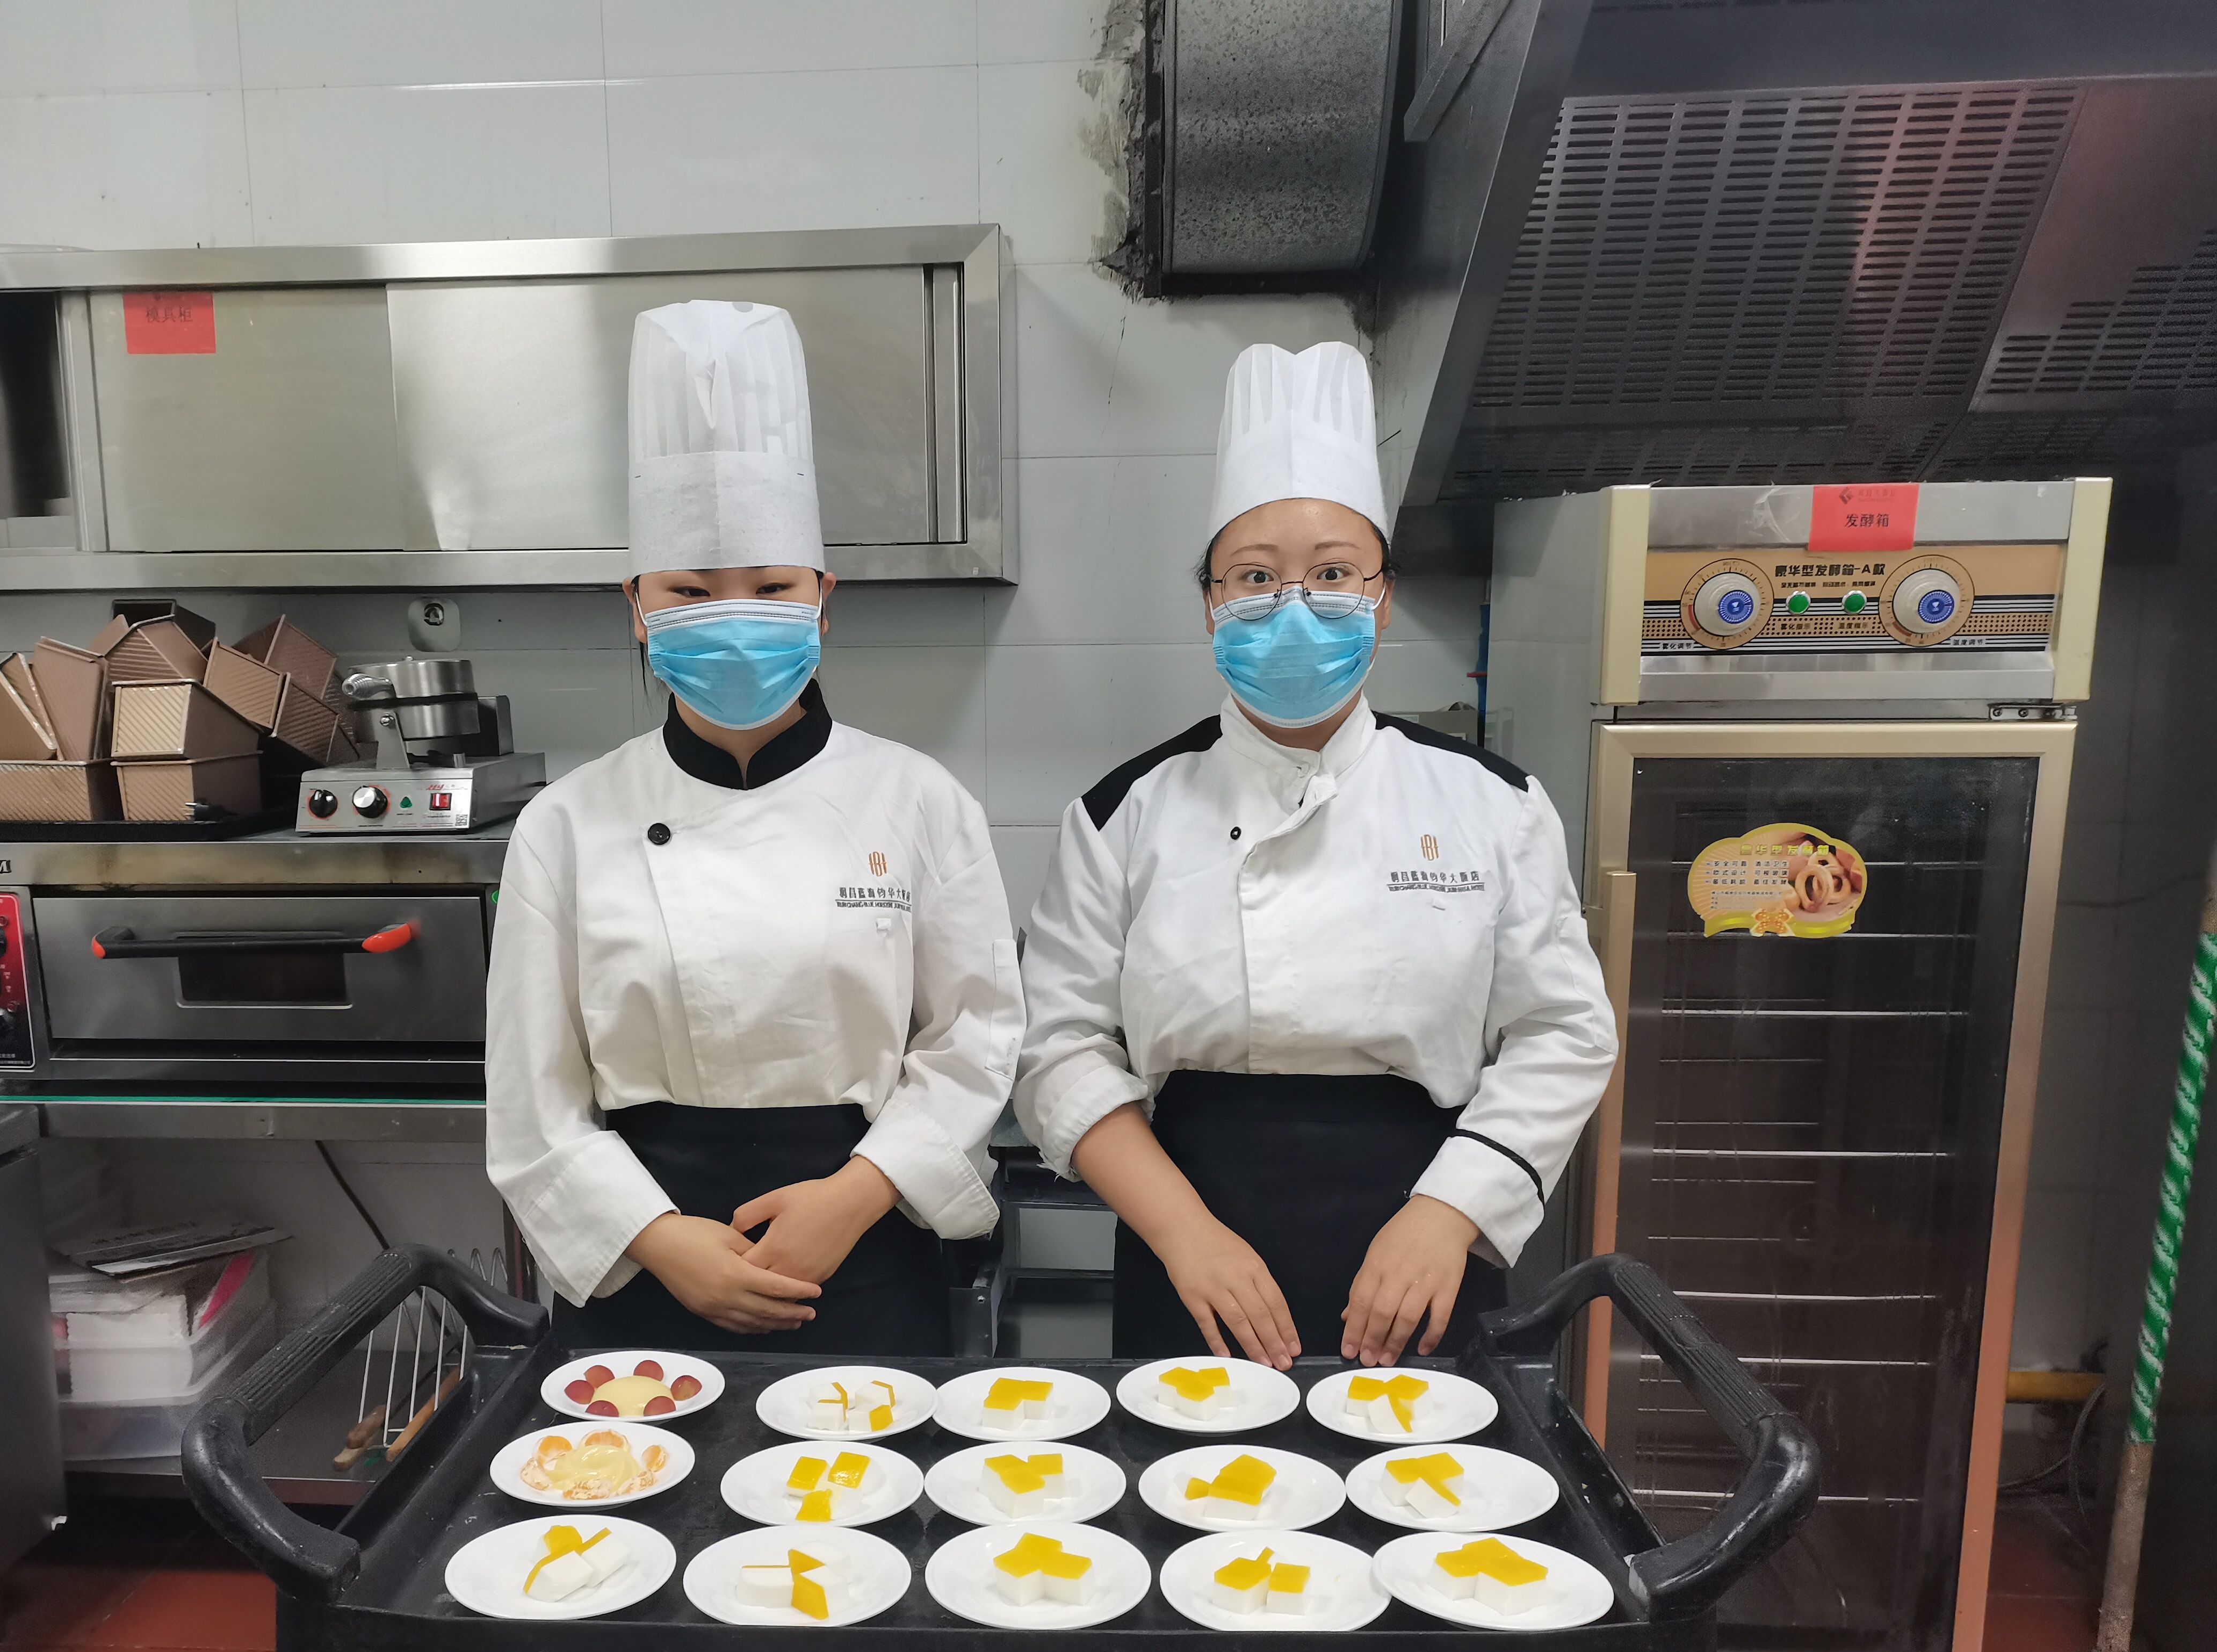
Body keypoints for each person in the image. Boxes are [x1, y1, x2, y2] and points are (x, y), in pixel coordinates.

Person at [1013, 340, 1617, 1369]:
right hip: (1191, 1244)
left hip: (1425, 1248)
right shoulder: (1125, 812)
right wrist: (1184, 1237)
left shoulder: (1492, 803)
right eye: (1255, 578)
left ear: (1382, 595)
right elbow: (1059, 1047)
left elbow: (1563, 1031)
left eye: (1333, 574)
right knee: (1187, 1469)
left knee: (1425, 1475)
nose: (1293, 606)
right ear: (1209, 603)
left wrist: (1449, 1213)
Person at [486, 300, 1021, 1355]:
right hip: (644, 1259)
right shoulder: (567, 823)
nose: (734, 615)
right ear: (638, 604)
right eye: (692, 591)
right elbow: (532, 1093)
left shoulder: (919, 801)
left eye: (771, 587)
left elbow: (976, 1036)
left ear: (823, 598)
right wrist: (663, 1241)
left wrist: (856, 1196)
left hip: (865, 1242)